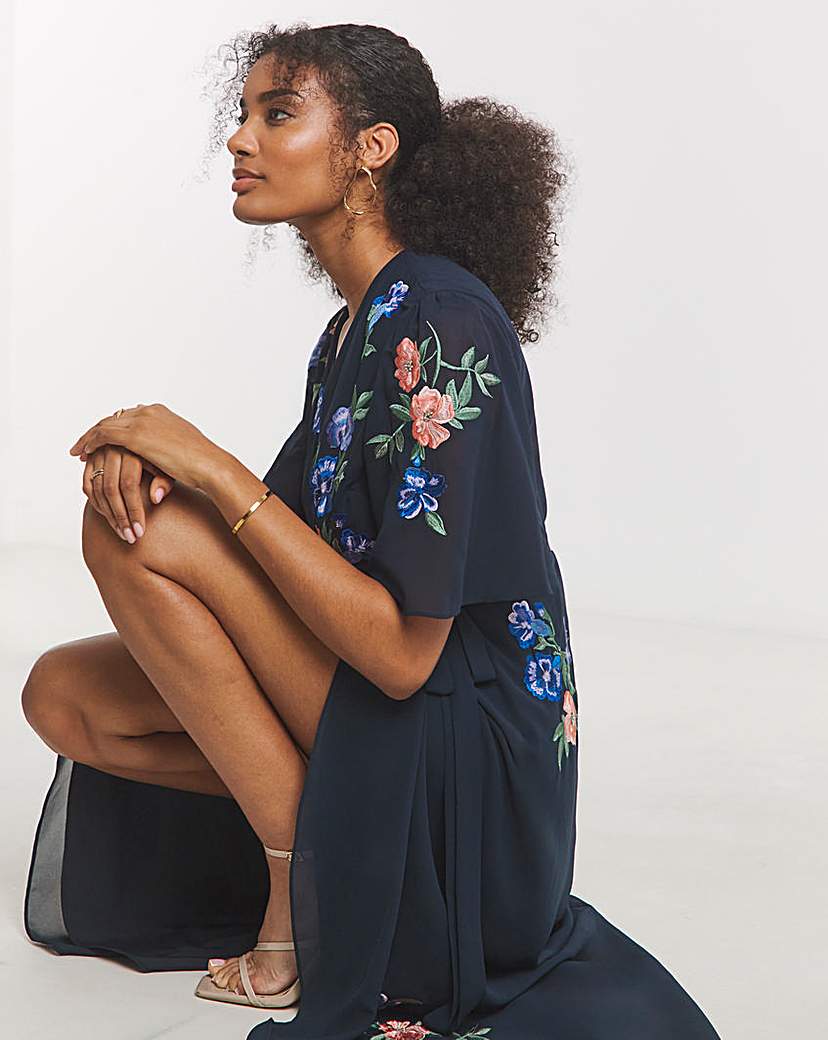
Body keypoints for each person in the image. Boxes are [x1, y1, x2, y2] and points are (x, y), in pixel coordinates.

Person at [20, 21, 722, 1040]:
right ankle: (312, 859)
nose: (239, 140)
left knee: (140, 537)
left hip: (464, 752)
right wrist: (152, 460)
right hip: (389, 712)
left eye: (278, 115)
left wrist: (204, 463)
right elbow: (268, 556)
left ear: (371, 148)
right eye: (243, 115)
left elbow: (399, 655)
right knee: (67, 694)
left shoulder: (440, 322)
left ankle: (297, 900)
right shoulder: (356, 329)